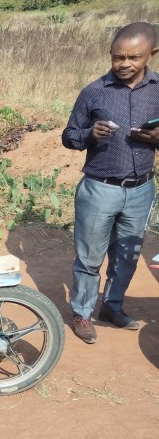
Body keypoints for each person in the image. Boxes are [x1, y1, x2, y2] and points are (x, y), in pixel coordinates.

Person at [62, 22, 159, 344]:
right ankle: (83, 313)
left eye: (134, 57)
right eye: (118, 57)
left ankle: (112, 306)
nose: (124, 64)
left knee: (127, 256)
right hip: (99, 188)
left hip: (142, 188)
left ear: (151, 55)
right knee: (89, 257)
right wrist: (90, 134)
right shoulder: (94, 92)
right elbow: (69, 136)